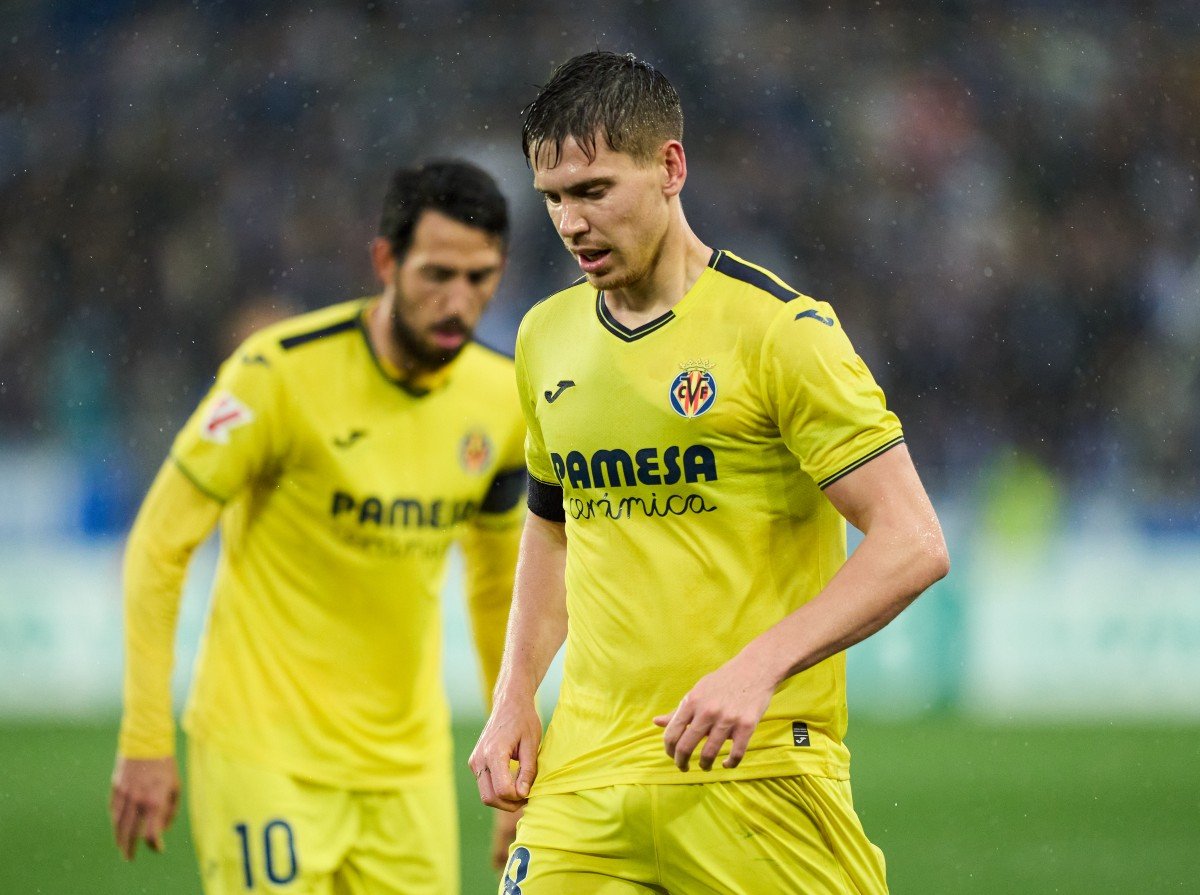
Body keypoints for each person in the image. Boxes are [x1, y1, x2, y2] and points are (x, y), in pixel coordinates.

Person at [469, 52, 950, 894]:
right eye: (553, 200)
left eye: (594, 191)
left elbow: (912, 541)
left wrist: (756, 668)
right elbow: (553, 525)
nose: (572, 223)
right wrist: (515, 695)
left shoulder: (781, 332)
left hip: (755, 770)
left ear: (670, 167)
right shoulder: (545, 337)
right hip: (587, 778)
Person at [110, 159, 527, 894]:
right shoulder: (276, 374)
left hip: (406, 768)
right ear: (384, 261)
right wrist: (146, 736)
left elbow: (500, 585)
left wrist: (517, 757)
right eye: (437, 274)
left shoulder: (500, 399)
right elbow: (158, 543)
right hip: (264, 752)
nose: (459, 301)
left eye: (480, 276)